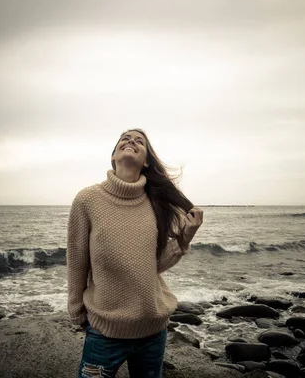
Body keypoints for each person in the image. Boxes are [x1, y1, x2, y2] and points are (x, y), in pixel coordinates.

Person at [67, 128, 204, 377]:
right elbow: (77, 259)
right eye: (125, 139)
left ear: (147, 160)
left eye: (139, 141)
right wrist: (76, 310)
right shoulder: (87, 200)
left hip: (153, 329)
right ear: (113, 155)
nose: (131, 141)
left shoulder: (155, 204)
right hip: (105, 332)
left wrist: (185, 238)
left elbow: (152, 265)